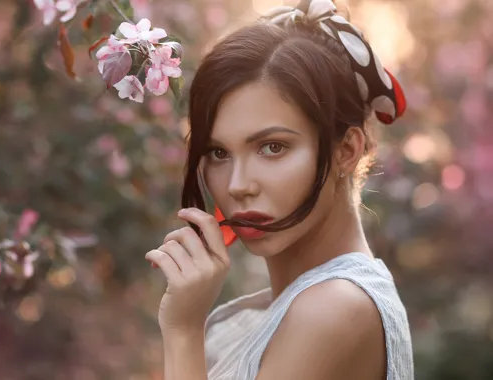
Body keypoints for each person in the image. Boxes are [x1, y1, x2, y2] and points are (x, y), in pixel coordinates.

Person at [144, 0, 414, 378]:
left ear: (346, 150)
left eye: (273, 147)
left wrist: (183, 332)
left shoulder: (335, 308)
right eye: (218, 152)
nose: (238, 186)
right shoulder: (273, 312)